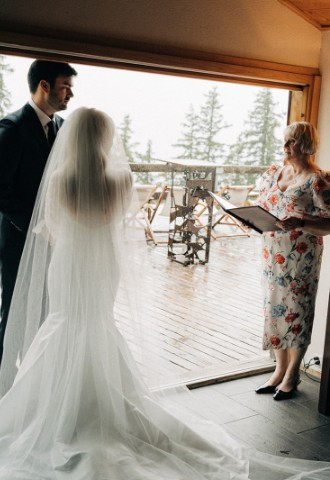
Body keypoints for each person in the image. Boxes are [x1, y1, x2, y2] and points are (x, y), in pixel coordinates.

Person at [0, 108, 329, 479]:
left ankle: (56, 409)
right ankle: (107, 405)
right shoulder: (119, 180)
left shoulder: (59, 179)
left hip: (68, 263)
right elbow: (118, 226)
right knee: (97, 323)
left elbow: (52, 230)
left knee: (64, 322)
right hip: (103, 264)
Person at [0, 59, 77, 362]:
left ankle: (35, 372)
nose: (70, 94)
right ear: (44, 86)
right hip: (19, 238)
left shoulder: (62, 128)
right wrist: (36, 225)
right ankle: (6, 376)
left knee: (48, 306)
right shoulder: (12, 128)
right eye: (65, 87)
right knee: (16, 307)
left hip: (56, 238)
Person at [255, 122, 330, 401]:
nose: (285, 147)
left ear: (306, 146)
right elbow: (263, 203)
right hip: (272, 252)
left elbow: (329, 222)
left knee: (297, 312)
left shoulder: (318, 180)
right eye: (284, 141)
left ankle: (292, 374)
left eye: (292, 142)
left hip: (301, 256)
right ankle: (279, 369)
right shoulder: (275, 171)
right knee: (275, 309)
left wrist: (302, 220)